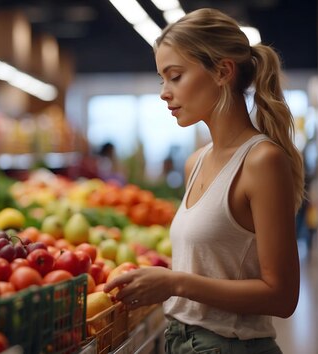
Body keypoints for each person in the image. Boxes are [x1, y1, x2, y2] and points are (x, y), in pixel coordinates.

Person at [104, 8, 304, 354]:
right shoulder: (195, 163)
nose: (164, 92)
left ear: (223, 71)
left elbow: (282, 296)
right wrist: (156, 280)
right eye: (161, 79)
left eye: (175, 76)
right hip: (181, 341)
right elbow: (215, 268)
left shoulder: (261, 161)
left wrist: (175, 282)